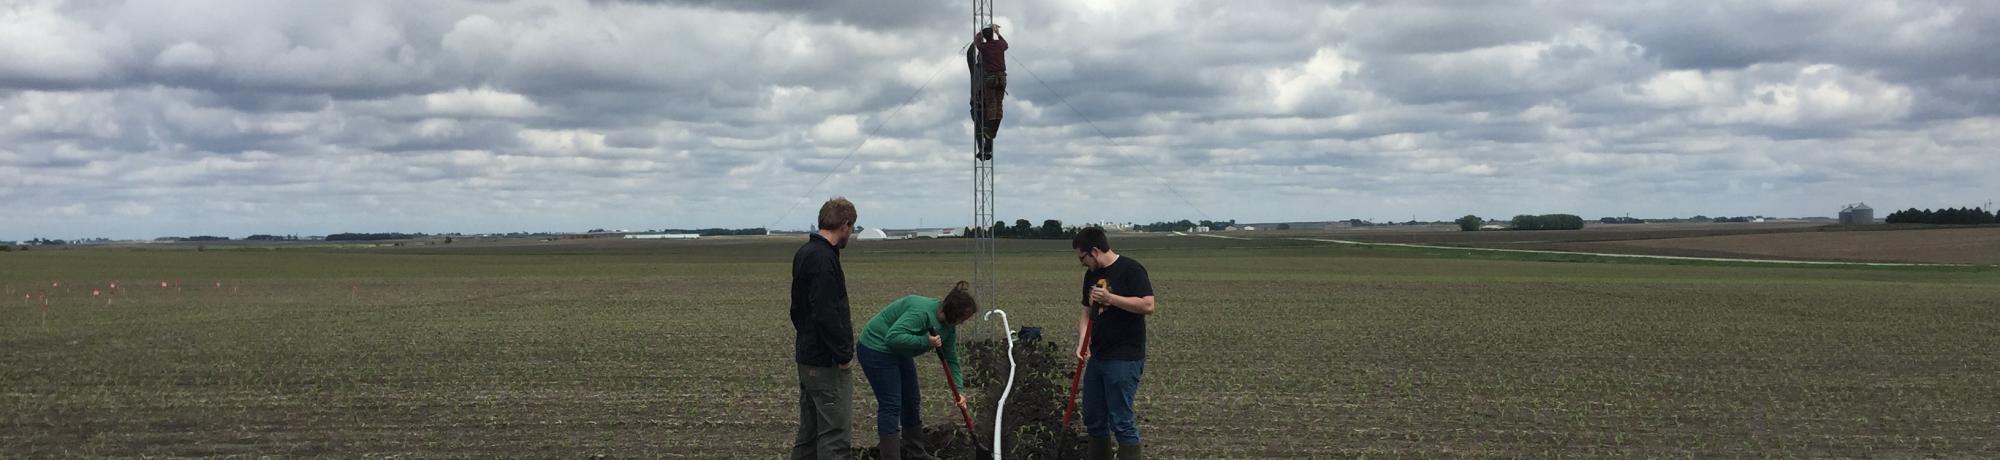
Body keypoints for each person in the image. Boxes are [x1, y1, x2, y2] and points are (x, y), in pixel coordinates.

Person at [856, 282, 979, 460]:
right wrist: (926, 342)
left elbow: (951, 360)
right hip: (876, 348)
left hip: (900, 351)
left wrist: (959, 391)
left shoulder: (948, 328)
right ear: (953, 312)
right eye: (962, 319)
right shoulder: (921, 313)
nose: (961, 323)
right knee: (891, 405)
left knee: (912, 399)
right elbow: (893, 337)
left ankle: (915, 452)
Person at [1072, 226, 1155, 460]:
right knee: (1094, 418)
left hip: (1124, 357)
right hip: (1098, 356)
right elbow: (1086, 312)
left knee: (1121, 420)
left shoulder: (1131, 270)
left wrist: (1110, 299)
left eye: (1082, 257)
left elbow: (1148, 305)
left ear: (1095, 251)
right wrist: (1082, 342)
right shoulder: (1091, 275)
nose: (1081, 263)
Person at [791, 197, 858, 459]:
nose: (850, 234)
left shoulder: (805, 253)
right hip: (825, 363)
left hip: (807, 357)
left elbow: (797, 309)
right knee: (835, 436)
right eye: (851, 228)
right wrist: (843, 354)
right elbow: (826, 312)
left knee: (808, 436)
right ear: (845, 225)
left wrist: (806, 337)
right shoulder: (823, 259)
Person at [972, 24, 1008, 161]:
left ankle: (990, 132)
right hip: (1002, 78)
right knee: (999, 106)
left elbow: (977, 42)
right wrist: (997, 32)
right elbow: (1006, 44)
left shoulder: (984, 47)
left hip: (990, 78)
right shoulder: (999, 45)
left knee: (992, 105)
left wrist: (979, 34)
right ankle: (992, 132)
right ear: (992, 35)